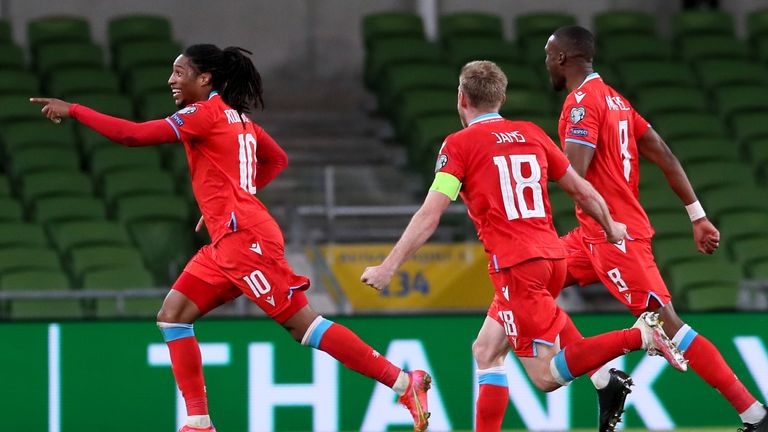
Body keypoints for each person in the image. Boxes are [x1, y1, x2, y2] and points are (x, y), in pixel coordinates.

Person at [31, 44, 431, 432]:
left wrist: (76, 110)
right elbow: (277, 159)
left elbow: (133, 136)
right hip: (230, 236)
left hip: (246, 240)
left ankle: (401, 381)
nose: (171, 80)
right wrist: (233, 198)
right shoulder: (239, 118)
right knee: (172, 315)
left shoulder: (202, 115)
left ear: (205, 79)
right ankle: (198, 422)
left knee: (303, 326)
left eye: (180, 73)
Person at [361, 60, 687, 432]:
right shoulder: (531, 134)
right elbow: (580, 188)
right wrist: (610, 224)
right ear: (501, 98)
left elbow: (430, 214)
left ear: (461, 98)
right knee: (486, 350)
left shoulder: (459, 145)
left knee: (545, 377)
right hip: (552, 257)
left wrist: (389, 266)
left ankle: (642, 334)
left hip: (517, 267)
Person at [545, 25, 768, 431]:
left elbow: (572, 176)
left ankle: (755, 415)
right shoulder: (617, 102)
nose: (546, 63)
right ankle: (602, 380)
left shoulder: (581, 105)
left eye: (548, 56)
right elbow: (664, 154)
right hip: (590, 236)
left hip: (615, 237)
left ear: (562, 58)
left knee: (669, 325)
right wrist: (696, 214)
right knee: (532, 284)